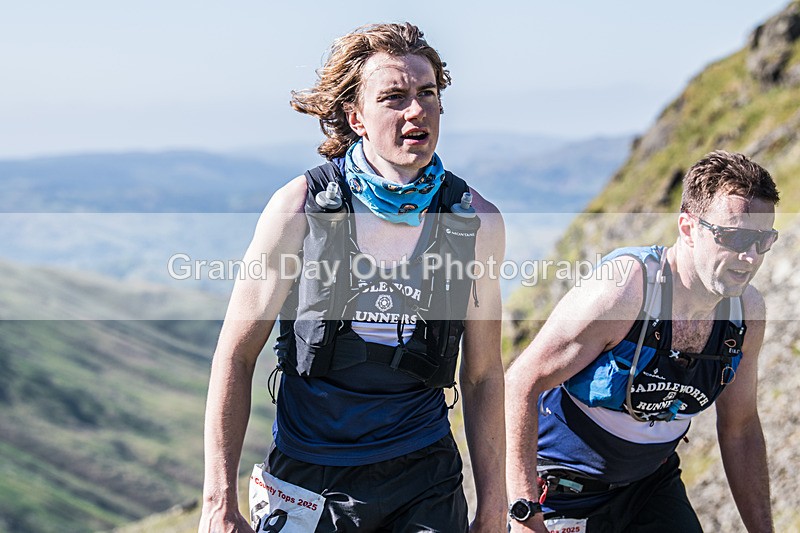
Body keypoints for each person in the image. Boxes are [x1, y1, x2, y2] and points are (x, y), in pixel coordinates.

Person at [199, 22, 507, 533]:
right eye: (394, 97)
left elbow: (482, 375)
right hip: (308, 477)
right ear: (355, 117)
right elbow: (236, 353)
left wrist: (494, 507)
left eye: (427, 93)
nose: (416, 110)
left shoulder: (475, 221)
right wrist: (217, 501)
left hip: (424, 477)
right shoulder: (299, 208)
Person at [505, 150, 779, 533]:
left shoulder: (745, 314)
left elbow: (740, 427)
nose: (749, 258)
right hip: (563, 491)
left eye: (762, 240)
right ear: (687, 228)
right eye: (733, 237)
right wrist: (524, 511)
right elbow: (521, 381)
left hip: (651, 487)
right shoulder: (626, 290)